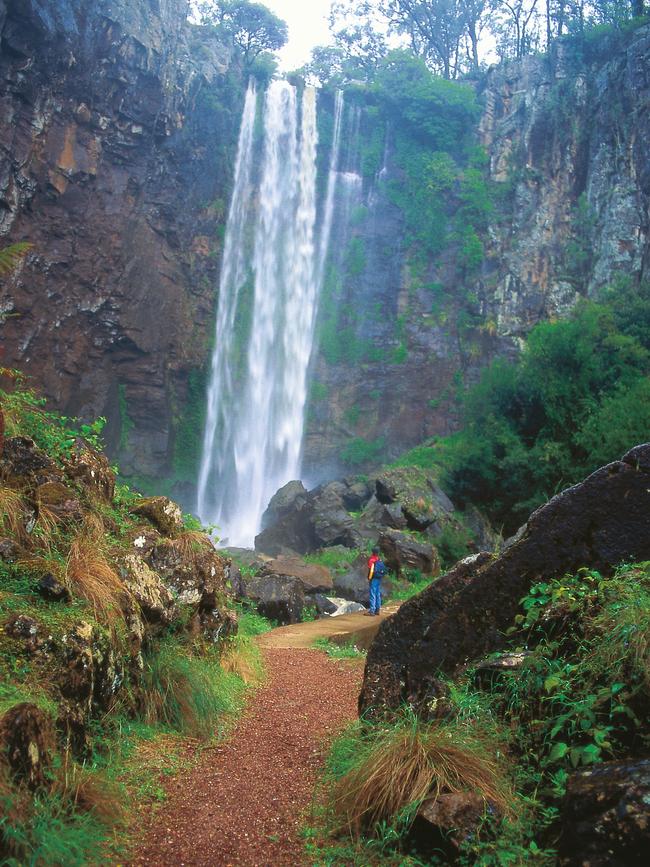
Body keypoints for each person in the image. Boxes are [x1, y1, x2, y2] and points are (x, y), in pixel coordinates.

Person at [366, 547, 385, 616]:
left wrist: (369, 578)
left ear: (372, 552)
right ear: (378, 552)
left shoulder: (372, 560)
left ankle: (372, 611)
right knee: (377, 593)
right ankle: (377, 610)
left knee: (372, 593)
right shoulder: (379, 559)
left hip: (373, 578)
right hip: (379, 578)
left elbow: (371, 570)